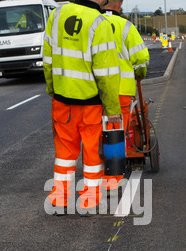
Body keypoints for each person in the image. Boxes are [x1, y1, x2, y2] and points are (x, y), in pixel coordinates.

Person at [43, 0, 122, 213]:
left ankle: (60, 198)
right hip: (91, 104)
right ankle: (90, 200)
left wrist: (52, 89)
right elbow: (107, 74)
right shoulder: (100, 23)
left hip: (62, 100)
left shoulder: (56, 16)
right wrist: (113, 109)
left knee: (64, 152)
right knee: (92, 153)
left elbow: (48, 60)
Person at [101, 0, 150, 191]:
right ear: (119, 4)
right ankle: (111, 182)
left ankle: (95, 178)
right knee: (116, 132)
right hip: (121, 89)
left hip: (95, 90)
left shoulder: (92, 23)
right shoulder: (126, 26)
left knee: (97, 133)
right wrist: (140, 73)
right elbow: (140, 59)